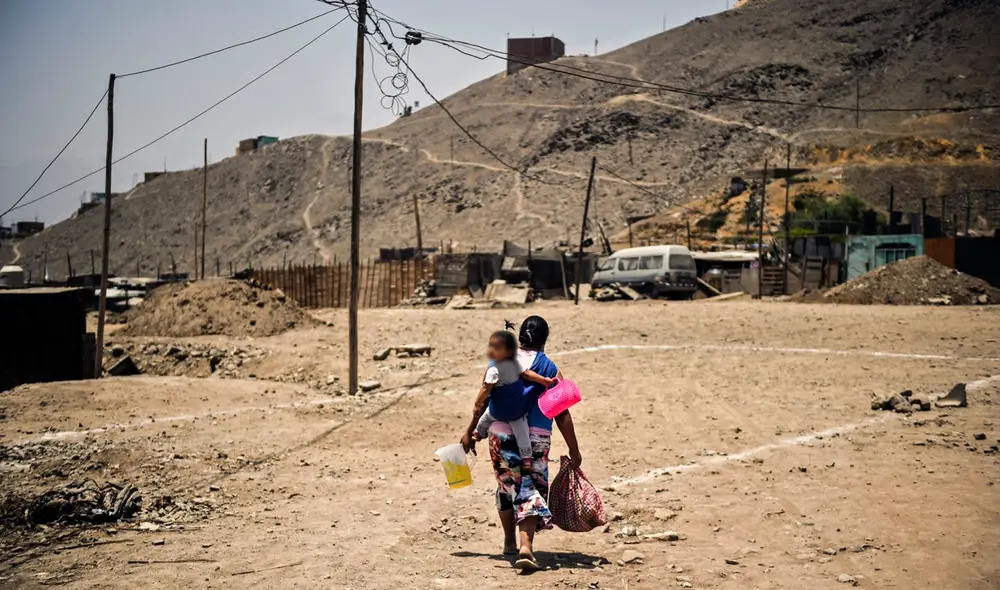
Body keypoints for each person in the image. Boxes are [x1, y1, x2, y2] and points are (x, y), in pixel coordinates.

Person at [461, 316, 582, 571]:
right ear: (544, 340)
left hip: (500, 433)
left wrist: (470, 432)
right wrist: (573, 449)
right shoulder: (549, 369)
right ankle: (525, 545)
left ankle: (508, 542)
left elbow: (481, 401)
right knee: (531, 485)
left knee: (507, 485)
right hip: (537, 437)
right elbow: (562, 413)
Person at [471, 328, 555, 476]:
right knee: (522, 433)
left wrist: (477, 404)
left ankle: (478, 433)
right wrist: (544, 381)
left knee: (486, 417)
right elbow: (528, 375)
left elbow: (486, 389)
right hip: (516, 412)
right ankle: (527, 459)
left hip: (497, 411)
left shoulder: (493, 369)